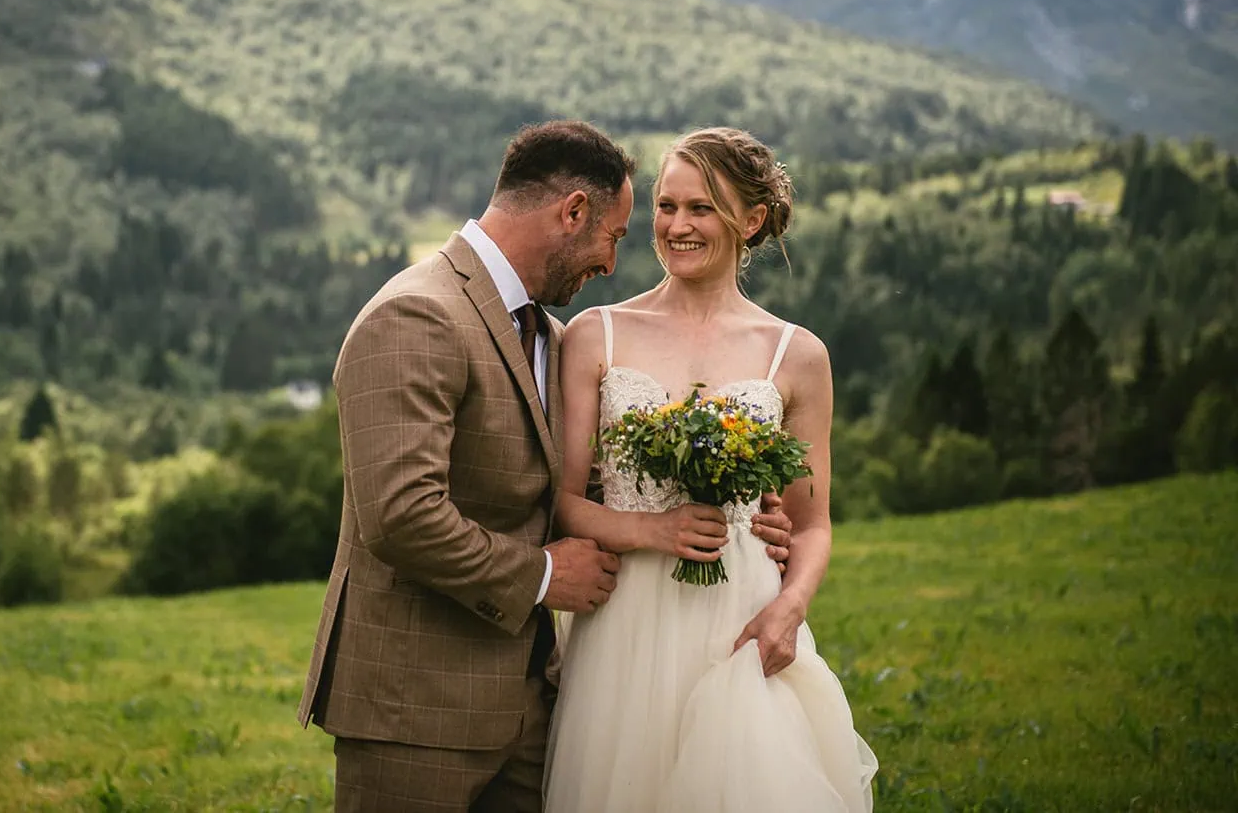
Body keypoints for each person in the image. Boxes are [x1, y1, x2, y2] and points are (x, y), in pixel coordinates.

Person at [296, 120, 796, 812]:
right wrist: (545, 574)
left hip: (533, 703)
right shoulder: (416, 315)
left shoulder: (548, 335)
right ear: (573, 213)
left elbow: (578, 479)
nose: (613, 265)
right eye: (614, 236)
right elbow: (401, 516)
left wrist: (747, 513)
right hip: (416, 711)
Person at [543, 127, 878, 812]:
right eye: (667, 207)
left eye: (702, 208)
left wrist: (791, 606)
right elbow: (562, 504)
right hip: (624, 623)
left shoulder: (796, 354)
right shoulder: (595, 335)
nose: (678, 225)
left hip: (742, 619)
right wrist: (650, 531)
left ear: (750, 220)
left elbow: (812, 524)